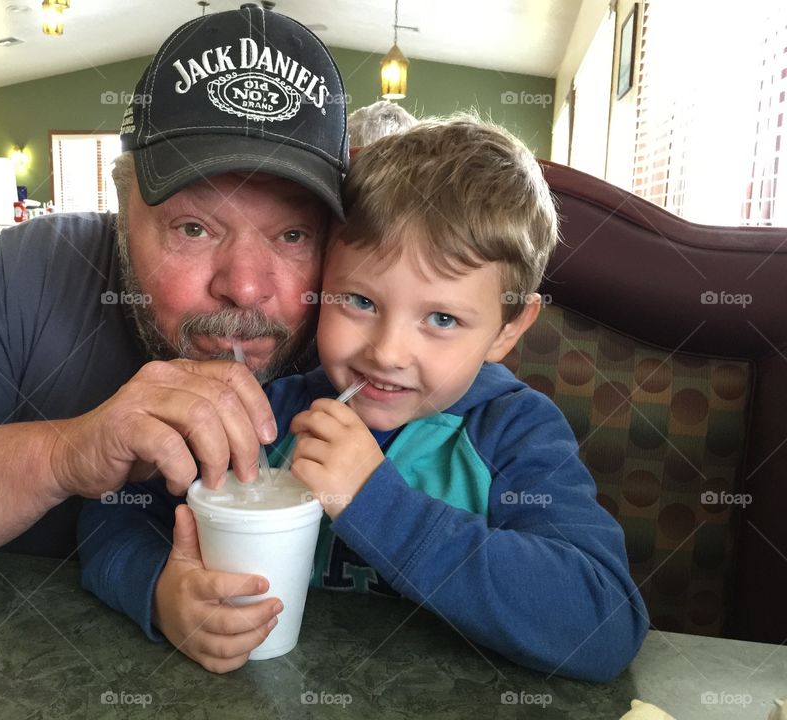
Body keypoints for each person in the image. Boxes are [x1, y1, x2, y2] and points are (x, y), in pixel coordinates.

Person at [78, 115, 649, 681]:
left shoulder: (516, 434)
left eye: (443, 318)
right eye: (360, 301)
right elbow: (114, 512)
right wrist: (159, 588)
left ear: (507, 327)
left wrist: (375, 503)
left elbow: (604, 621)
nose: (387, 351)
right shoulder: (267, 409)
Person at [0, 6, 349, 577]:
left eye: (293, 235)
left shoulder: (372, 321)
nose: (246, 288)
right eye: (194, 229)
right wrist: (60, 455)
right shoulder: (31, 271)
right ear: (122, 210)